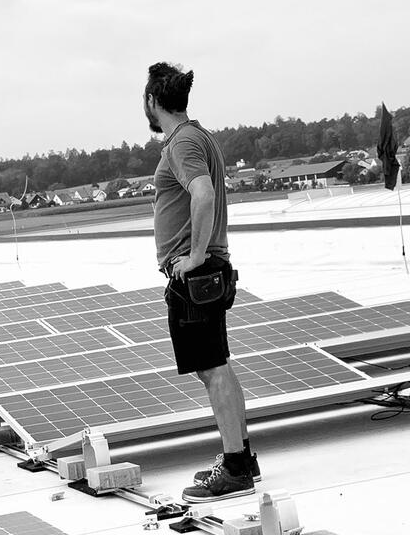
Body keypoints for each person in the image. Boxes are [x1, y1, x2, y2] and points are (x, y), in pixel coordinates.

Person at [143, 63, 258, 503]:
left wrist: (192, 256)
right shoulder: (198, 135)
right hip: (206, 269)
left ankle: (233, 469)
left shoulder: (182, 142)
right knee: (217, 364)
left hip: (198, 271)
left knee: (212, 368)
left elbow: (203, 193)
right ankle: (242, 458)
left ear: (153, 100)